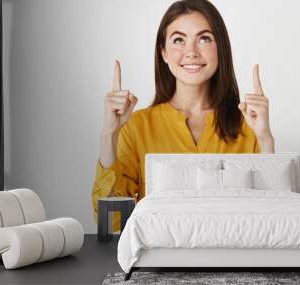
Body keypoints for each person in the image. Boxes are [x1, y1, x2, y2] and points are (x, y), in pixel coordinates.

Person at [92, 0, 275, 231]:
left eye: (204, 38)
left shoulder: (248, 125)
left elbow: (271, 218)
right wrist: (109, 134)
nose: (191, 52)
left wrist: (266, 139)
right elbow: (111, 225)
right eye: (179, 40)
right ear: (164, 53)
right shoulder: (136, 126)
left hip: (233, 259)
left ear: (221, 48)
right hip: (158, 262)